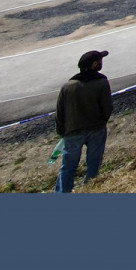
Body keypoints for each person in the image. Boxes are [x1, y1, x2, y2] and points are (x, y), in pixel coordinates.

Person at [54, 49, 112, 193]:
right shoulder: (102, 82)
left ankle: (63, 193)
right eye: (100, 60)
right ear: (94, 64)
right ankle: (90, 189)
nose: (101, 63)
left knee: (68, 166)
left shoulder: (68, 86)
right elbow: (107, 107)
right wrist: (102, 121)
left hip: (73, 132)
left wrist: (61, 131)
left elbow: (60, 112)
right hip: (96, 129)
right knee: (93, 163)